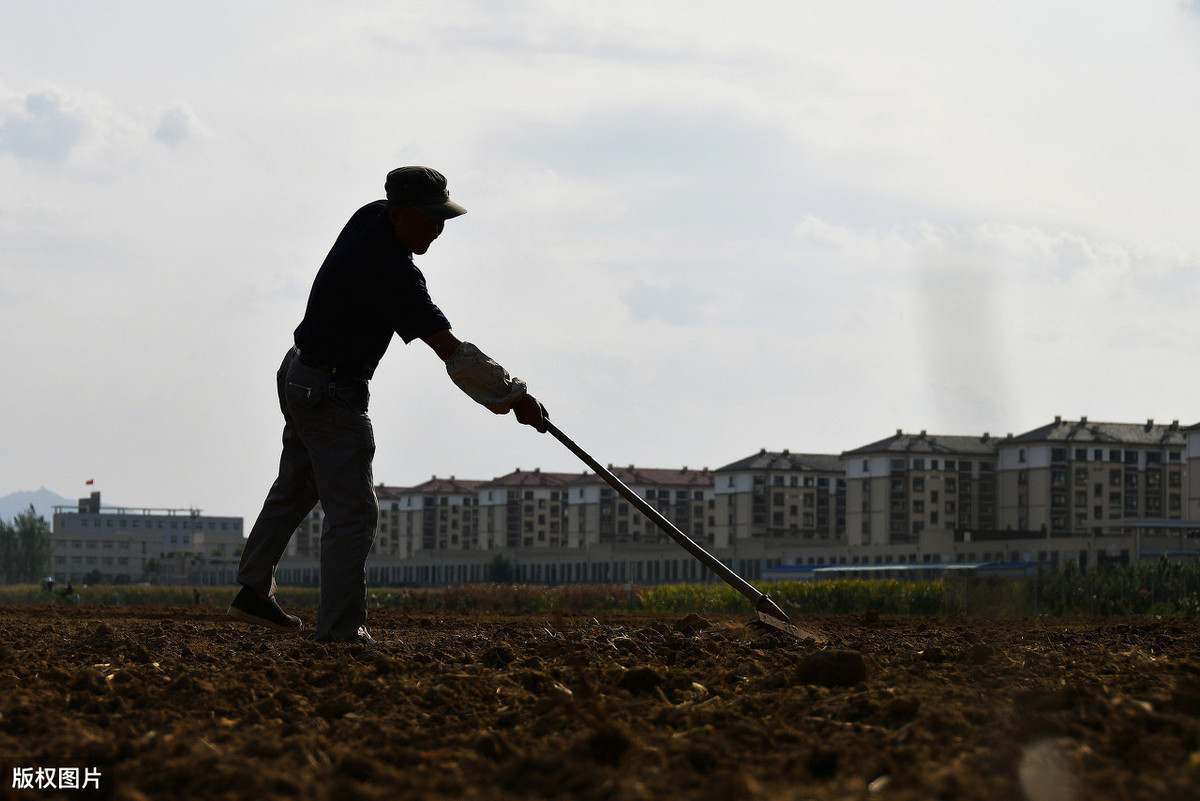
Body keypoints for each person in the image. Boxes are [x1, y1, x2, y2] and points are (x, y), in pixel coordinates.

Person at [227, 166, 547, 644]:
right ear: (399, 214)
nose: (438, 230)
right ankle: (340, 631)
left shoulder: (369, 217)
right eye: (429, 220)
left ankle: (252, 589)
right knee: (353, 513)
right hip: (330, 392)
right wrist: (512, 396)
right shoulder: (392, 273)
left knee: (296, 485)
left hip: (300, 375)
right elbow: (452, 352)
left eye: (443, 219)